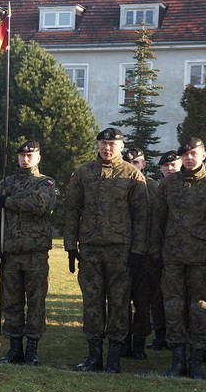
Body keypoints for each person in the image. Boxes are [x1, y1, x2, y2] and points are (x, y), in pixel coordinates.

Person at [65, 127, 148, 374]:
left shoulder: (132, 176)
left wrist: (138, 251)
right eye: (103, 143)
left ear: (121, 147)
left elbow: (141, 216)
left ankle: (114, 357)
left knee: (119, 303)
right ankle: (93, 356)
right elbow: (71, 210)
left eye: (112, 144)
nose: (107, 148)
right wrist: (70, 246)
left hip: (120, 251)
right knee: (92, 302)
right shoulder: (83, 173)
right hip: (90, 249)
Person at [0, 141, 56, 365]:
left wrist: (10, 202)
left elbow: (41, 204)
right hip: (10, 253)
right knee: (11, 301)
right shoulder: (5, 184)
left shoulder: (44, 182)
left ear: (38, 158)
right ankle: (14, 346)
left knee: (36, 301)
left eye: (30, 155)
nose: (25, 159)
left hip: (35, 252)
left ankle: (32, 348)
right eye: (22, 155)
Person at [152, 137, 206, 378]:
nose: (189, 158)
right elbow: (157, 220)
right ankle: (177, 359)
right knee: (173, 306)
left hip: (202, 257)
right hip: (172, 256)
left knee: (200, 308)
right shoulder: (169, 184)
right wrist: (154, 253)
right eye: (186, 155)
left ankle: (196, 359)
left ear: (203, 155)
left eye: (194, 153)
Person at [121, 147, 157, 359]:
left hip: (146, 255)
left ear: (144, 164)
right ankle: (123, 341)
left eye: (137, 163)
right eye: (129, 162)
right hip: (122, 252)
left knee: (143, 302)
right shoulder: (117, 186)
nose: (133, 166)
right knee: (120, 300)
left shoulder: (154, 188)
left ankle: (139, 343)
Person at [147, 150, 181, 349]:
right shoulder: (154, 188)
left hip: (182, 252)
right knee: (157, 296)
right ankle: (160, 335)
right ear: (160, 168)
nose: (169, 169)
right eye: (166, 166)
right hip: (158, 251)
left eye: (173, 165)